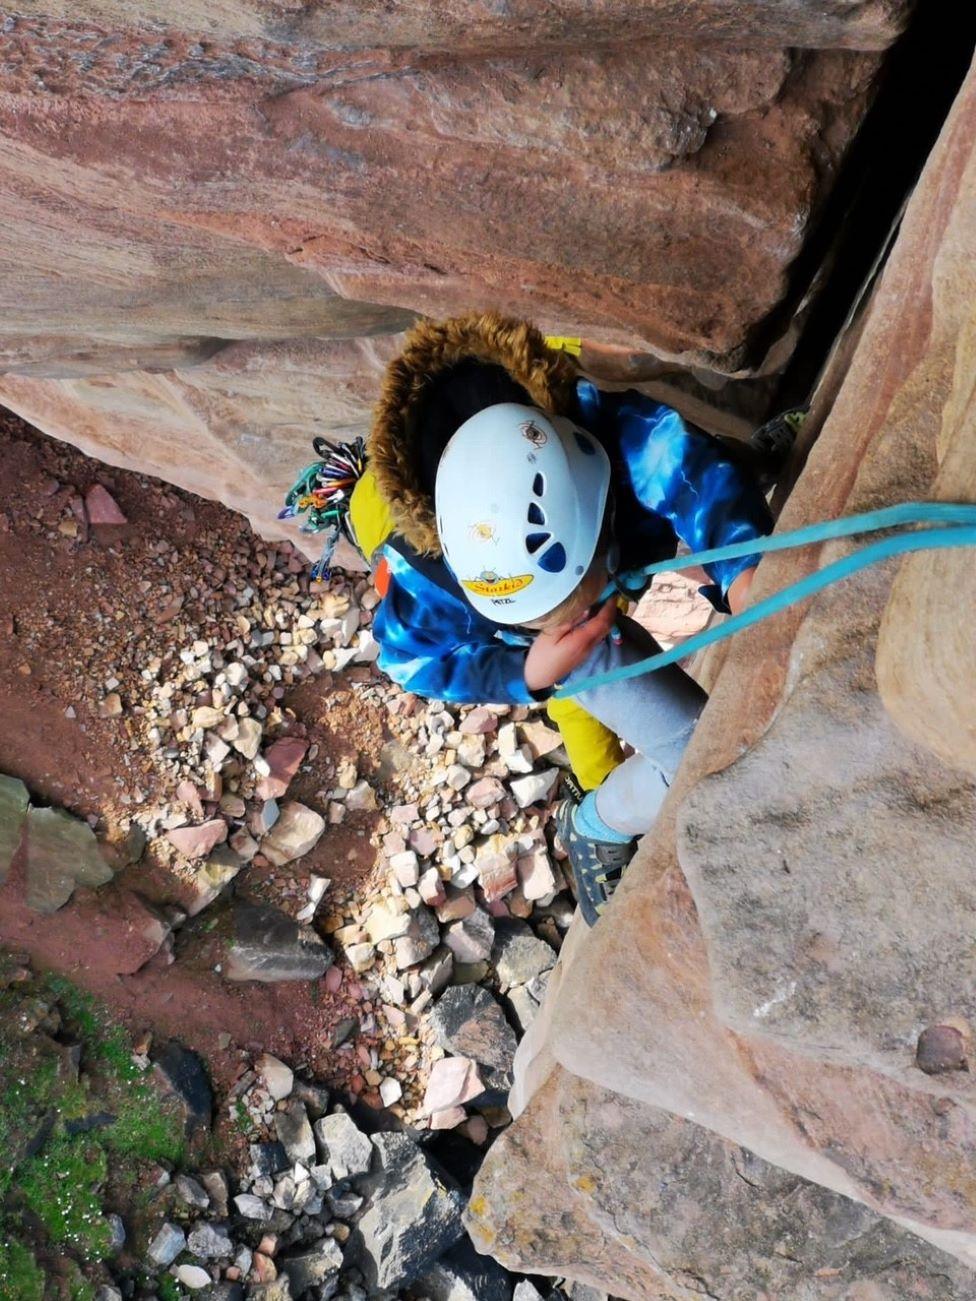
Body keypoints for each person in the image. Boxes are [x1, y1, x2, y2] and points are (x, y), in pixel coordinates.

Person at [285, 312, 792, 925]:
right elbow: (409, 660)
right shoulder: (432, 578)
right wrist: (528, 667)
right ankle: (592, 825)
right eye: (554, 610)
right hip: (519, 595)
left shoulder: (610, 431)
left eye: (582, 594)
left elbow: (684, 471)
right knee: (679, 743)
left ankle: (747, 474)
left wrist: (741, 567)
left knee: (687, 502)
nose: (585, 615)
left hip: (598, 515)